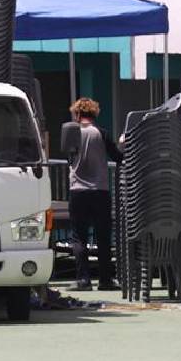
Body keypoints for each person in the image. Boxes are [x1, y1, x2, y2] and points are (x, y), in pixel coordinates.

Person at [68, 97, 117, 293]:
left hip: (78, 190)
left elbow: (69, 158)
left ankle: (83, 280)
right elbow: (117, 157)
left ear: (77, 114)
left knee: (79, 236)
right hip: (100, 190)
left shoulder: (71, 134)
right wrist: (122, 143)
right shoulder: (102, 134)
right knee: (103, 236)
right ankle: (105, 279)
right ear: (94, 113)